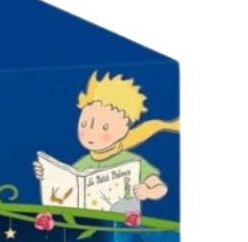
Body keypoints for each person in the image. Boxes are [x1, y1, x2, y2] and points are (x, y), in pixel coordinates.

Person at [35, 71, 179, 204]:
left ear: (125, 130)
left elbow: (161, 188)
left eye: (104, 127)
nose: (91, 133)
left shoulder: (132, 162)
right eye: (84, 124)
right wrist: (47, 176)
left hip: (124, 219)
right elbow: (68, 186)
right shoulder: (83, 164)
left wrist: (147, 191)